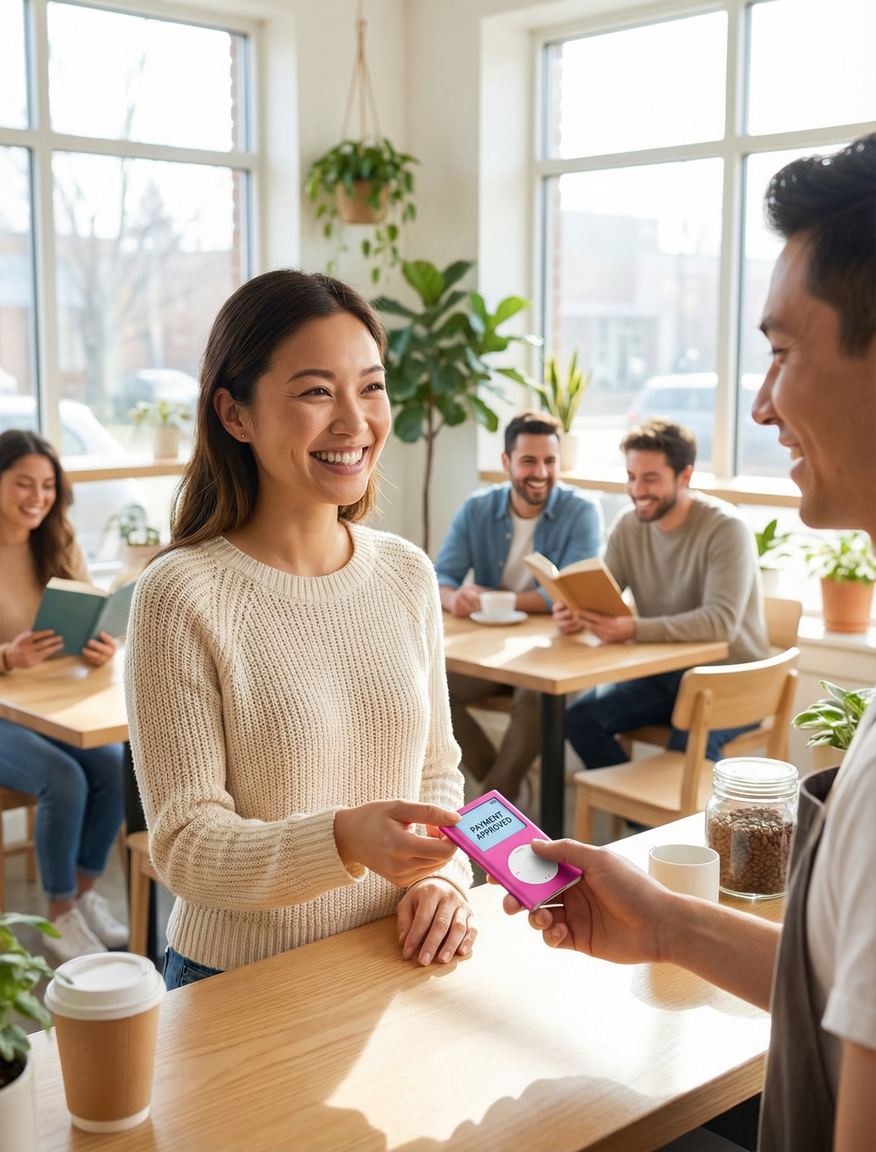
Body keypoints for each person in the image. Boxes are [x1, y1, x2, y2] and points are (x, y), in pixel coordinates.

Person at [504, 135, 876, 1151]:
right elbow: (841, 992)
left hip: (709, 692)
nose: (763, 402)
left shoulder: (716, 530)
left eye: (784, 353)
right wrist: (667, 925)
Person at [125, 270, 475, 991]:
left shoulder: (407, 574)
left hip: (395, 957)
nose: (354, 421)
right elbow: (186, 845)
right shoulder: (179, 594)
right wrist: (343, 839)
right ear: (235, 414)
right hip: (238, 979)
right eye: (317, 391)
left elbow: (436, 775)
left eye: (371, 386)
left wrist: (446, 882)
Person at [0, 430, 127, 962]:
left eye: (47, 485)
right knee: (62, 778)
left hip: (44, 709)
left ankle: (84, 895)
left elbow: (90, 618)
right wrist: (6, 655)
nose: (37, 497)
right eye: (24, 483)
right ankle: (59, 918)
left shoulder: (58, 541)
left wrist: (101, 644)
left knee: (116, 764)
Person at [559, 417, 768, 769]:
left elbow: (719, 624)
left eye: (650, 478)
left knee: (686, 748)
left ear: (684, 477)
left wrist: (634, 629)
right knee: (580, 720)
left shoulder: (725, 528)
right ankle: (641, 823)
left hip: (730, 680)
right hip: (665, 674)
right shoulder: (629, 524)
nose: (637, 489)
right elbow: (605, 592)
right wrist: (575, 608)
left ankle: (677, 822)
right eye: (631, 477)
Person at [435, 409, 600, 800]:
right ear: (507, 462)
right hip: (493, 650)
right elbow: (441, 575)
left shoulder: (581, 511)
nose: (540, 472)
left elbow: (572, 592)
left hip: (558, 651)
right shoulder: (477, 508)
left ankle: (491, 802)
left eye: (549, 461)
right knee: (432, 685)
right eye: (528, 461)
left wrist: (496, 600)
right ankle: (501, 788)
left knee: (539, 698)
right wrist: (454, 597)